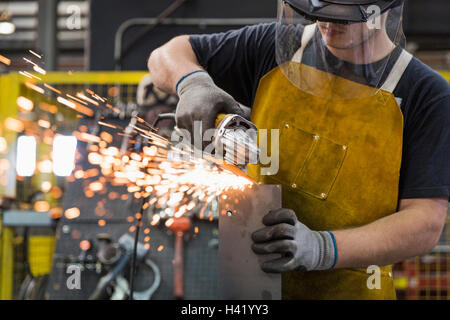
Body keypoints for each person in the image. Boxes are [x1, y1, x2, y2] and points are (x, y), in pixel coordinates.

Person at [147, 0, 450, 299]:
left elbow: (424, 223)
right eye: (318, 12)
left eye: (342, 17)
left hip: (353, 292)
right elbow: (167, 54)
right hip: (252, 284)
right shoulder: (274, 47)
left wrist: (321, 248)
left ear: (381, 9)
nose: (327, 24)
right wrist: (192, 82)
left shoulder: (427, 94)